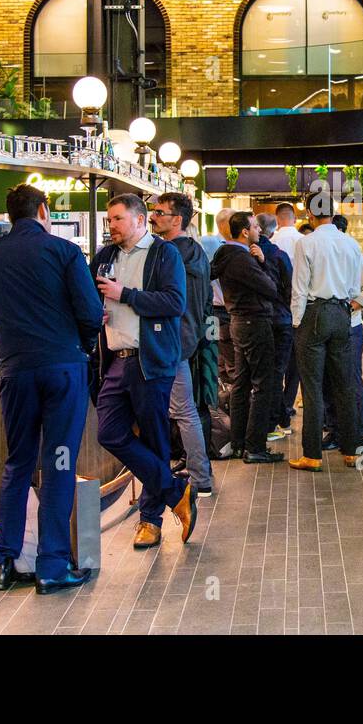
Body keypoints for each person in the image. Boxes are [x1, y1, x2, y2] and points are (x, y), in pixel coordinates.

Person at [0, 184, 103, 595]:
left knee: (18, 463)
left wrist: (8, 307)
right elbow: (91, 312)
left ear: (9, 217)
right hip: (62, 370)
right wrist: (80, 342)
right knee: (59, 464)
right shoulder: (64, 252)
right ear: (44, 211)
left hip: (16, 372)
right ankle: (53, 565)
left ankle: (2, 562)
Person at [91, 194, 198, 551]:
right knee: (108, 432)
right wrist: (97, 312)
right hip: (114, 359)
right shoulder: (105, 257)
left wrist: (126, 295)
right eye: (109, 220)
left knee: (154, 439)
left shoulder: (164, 254)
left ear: (138, 220)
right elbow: (93, 298)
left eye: (118, 219)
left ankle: (150, 521)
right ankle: (175, 491)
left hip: (150, 359)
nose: (112, 226)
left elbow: (173, 303)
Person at [287, 198, 363, 471]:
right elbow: (362, 285)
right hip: (343, 314)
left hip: (315, 314)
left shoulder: (307, 243)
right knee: (345, 385)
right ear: (334, 213)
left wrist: (297, 323)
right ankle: (352, 451)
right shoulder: (350, 243)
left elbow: (299, 288)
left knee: (312, 388)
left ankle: (312, 455)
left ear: (310, 214)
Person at [149, 192, 214, 498]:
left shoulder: (167, 253)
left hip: (170, 341)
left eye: (159, 212)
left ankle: (200, 477)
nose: (152, 217)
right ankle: (198, 472)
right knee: (183, 409)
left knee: (182, 410)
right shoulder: (197, 251)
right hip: (187, 338)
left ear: (177, 219)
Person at [211, 210, 285, 464]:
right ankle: (255, 446)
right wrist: (264, 263)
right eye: (255, 226)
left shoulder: (226, 256)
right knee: (263, 385)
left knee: (241, 384)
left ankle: (240, 442)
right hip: (254, 322)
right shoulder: (242, 259)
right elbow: (271, 288)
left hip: (238, 322)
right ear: (244, 231)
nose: (259, 231)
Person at [321, 213, 363, 452]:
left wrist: (350, 307)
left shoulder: (354, 253)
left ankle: (361, 434)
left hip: (350, 327)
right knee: (328, 380)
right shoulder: (323, 254)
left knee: (351, 380)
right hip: (326, 326)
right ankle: (335, 430)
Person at [255, 212, 295, 441]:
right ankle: (277, 420)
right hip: (281, 318)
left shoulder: (249, 254)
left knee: (265, 374)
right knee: (278, 371)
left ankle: (276, 420)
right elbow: (289, 288)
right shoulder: (279, 255)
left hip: (260, 319)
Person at [206, 207, 236, 458]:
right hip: (226, 313)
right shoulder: (229, 249)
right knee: (233, 368)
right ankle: (231, 422)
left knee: (215, 366)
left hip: (209, 315)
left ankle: (219, 417)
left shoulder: (206, 243)